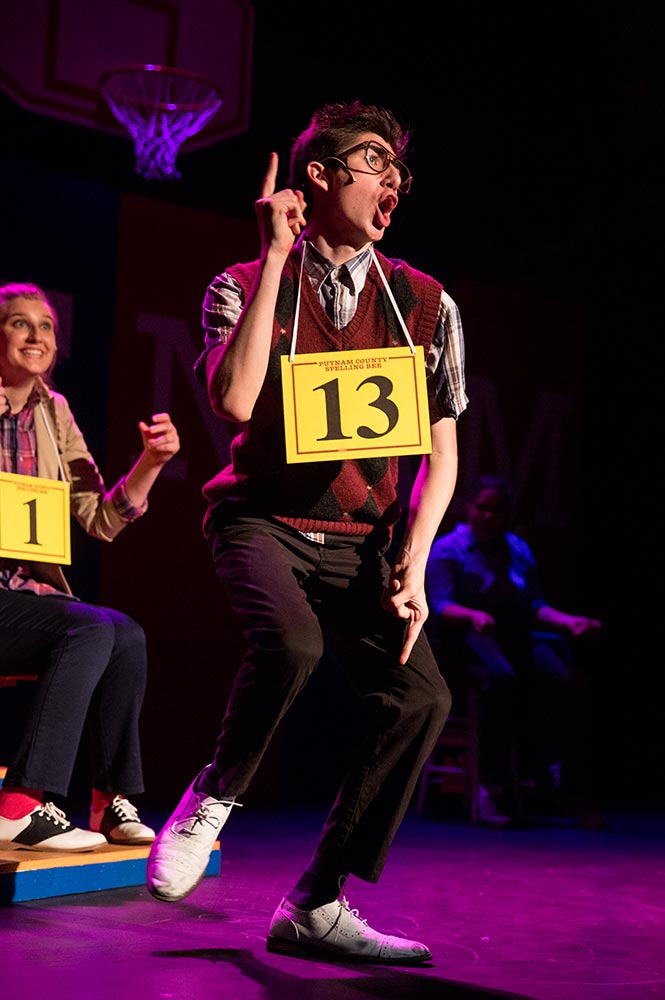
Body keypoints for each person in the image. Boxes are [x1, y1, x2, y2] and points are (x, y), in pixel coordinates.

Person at [146, 101, 468, 964]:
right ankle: (213, 796)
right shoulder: (241, 282)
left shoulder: (425, 301)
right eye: (371, 161)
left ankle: (316, 902)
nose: (391, 178)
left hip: (362, 538)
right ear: (316, 175)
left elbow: (441, 448)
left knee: (421, 696)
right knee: (289, 645)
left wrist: (416, 555)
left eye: (398, 167)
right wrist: (275, 257)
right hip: (262, 518)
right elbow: (235, 403)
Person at [0, 282, 180, 852]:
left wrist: (151, 462)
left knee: (125, 633)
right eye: (18, 323)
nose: (35, 335)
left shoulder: (54, 414)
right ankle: (22, 802)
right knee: (89, 627)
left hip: (24, 598)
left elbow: (98, 518)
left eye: (46, 325)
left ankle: (110, 801)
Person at [425, 473, 603, 825]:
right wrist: (473, 615)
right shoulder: (449, 549)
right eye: (483, 509)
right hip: (464, 641)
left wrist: (569, 621)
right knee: (501, 679)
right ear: (469, 509)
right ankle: (490, 788)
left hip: (515, 637)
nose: (489, 517)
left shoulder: (517, 549)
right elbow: (441, 605)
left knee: (564, 677)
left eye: (498, 510)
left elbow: (535, 605)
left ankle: (554, 778)